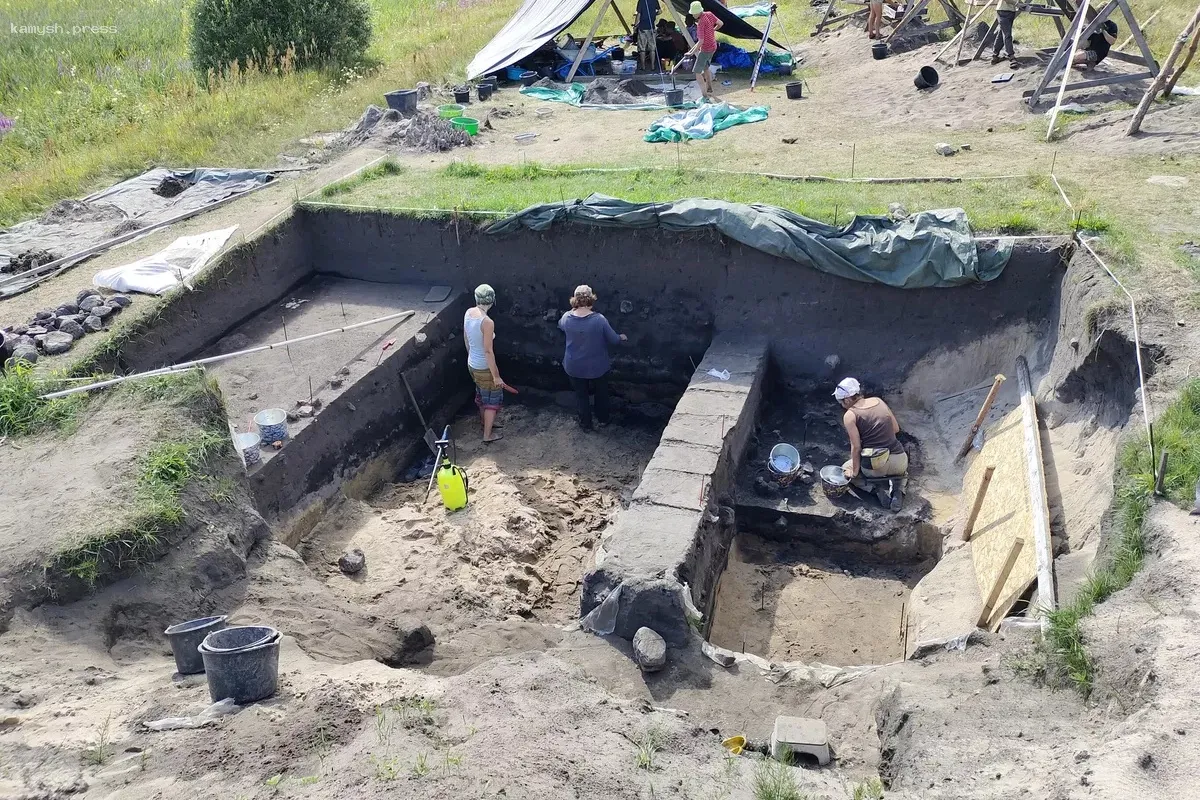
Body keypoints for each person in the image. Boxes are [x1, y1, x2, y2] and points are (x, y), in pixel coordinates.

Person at [558, 285, 626, 432]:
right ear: (591, 299)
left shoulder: (566, 318)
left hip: (574, 366)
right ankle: (603, 419)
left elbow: (561, 326)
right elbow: (613, 340)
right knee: (601, 394)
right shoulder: (599, 320)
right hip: (597, 366)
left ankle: (586, 424)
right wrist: (621, 337)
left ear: (574, 300)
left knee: (581, 396)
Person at [835, 377, 908, 512]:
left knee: (846, 469)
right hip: (899, 460)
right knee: (903, 473)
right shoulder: (878, 401)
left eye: (841, 402)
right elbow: (896, 429)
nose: (841, 405)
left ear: (846, 400)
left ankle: (876, 489)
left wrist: (854, 472)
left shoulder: (850, 415)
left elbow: (856, 447)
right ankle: (898, 490)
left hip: (875, 467)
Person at [464, 284, 506, 443]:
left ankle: (484, 423)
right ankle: (487, 435)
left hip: (472, 364)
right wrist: (496, 376)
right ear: (492, 300)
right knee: (492, 401)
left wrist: (471, 357)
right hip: (484, 366)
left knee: (482, 395)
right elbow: (488, 351)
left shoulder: (468, 312)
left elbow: (466, 339)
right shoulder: (487, 322)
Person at [683, 1, 722, 98]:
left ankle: (704, 95)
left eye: (693, 13)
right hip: (713, 46)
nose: (692, 15)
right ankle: (709, 87)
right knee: (705, 67)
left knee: (697, 72)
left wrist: (691, 53)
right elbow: (720, 23)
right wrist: (713, 29)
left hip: (706, 49)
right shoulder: (709, 14)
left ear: (697, 12)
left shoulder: (700, 24)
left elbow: (700, 41)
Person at [635, 0, 662, 72]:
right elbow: (660, 11)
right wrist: (653, 14)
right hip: (652, 28)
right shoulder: (655, 1)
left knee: (642, 49)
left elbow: (638, 14)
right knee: (652, 48)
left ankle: (643, 66)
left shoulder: (641, 1)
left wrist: (635, 26)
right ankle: (653, 66)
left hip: (642, 28)